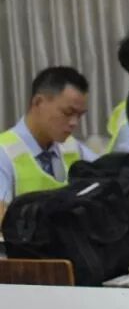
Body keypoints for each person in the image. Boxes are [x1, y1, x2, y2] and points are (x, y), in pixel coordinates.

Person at [0, 67, 98, 221]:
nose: (74, 123)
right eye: (67, 113)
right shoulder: (4, 153)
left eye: (79, 115)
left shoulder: (73, 148)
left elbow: (106, 176)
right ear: (38, 102)